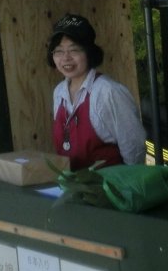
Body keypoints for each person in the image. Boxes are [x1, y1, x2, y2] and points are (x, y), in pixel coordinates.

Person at [47, 13, 145, 170]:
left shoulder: (108, 92)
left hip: (109, 188)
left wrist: (126, 186)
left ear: (89, 52)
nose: (66, 58)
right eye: (58, 51)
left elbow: (134, 146)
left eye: (74, 50)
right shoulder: (59, 92)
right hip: (73, 185)